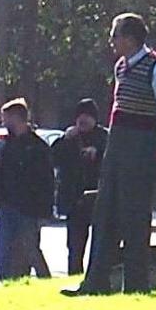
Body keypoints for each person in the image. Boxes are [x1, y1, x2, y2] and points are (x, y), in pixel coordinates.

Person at [68, 13, 156, 294]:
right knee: (105, 212)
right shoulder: (121, 67)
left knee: (135, 216)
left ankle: (136, 284)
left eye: (115, 35)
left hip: (142, 147)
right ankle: (95, 283)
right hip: (118, 146)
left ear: (130, 38)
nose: (111, 41)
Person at [0, 100, 54, 279]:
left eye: (6, 118)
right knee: (3, 253)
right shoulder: (9, 145)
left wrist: (45, 212)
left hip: (28, 209)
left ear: (17, 118)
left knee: (29, 251)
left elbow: (47, 180)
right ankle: (8, 285)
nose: (3, 122)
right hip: (7, 207)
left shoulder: (37, 147)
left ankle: (45, 281)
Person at [52, 100, 106, 278]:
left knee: (100, 244)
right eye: (80, 116)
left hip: (99, 197)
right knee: (75, 245)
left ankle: (97, 276)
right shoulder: (69, 137)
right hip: (74, 199)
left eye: (87, 116)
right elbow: (53, 158)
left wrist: (96, 152)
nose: (83, 120)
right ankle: (74, 275)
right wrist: (65, 140)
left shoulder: (104, 136)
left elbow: (111, 159)